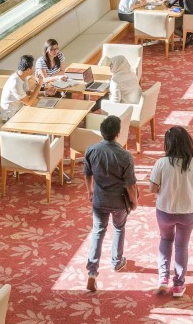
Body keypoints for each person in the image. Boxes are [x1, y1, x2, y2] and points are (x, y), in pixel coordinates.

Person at [149, 126, 193, 298]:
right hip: (188, 211)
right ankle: (178, 286)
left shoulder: (161, 163)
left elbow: (152, 188)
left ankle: (162, 279)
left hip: (165, 210)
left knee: (166, 240)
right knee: (182, 246)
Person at [84, 115, 139, 292]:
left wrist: (90, 190)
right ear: (118, 133)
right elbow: (130, 184)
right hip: (119, 201)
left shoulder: (91, 150)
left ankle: (92, 271)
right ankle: (116, 262)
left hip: (99, 200)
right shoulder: (125, 156)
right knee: (118, 228)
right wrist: (134, 201)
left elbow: (87, 174)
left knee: (98, 231)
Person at [0, 54, 56, 122]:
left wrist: (45, 93)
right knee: (41, 116)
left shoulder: (22, 76)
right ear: (28, 70)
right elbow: (29, 102)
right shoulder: (15, 83)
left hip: (19, 109)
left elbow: (28, 93)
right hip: (10, 116)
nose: (34, 69)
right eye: (33, 67)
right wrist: (39, 85)